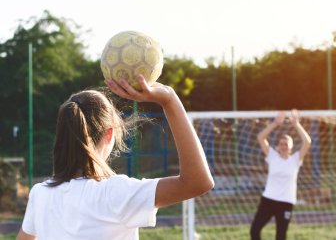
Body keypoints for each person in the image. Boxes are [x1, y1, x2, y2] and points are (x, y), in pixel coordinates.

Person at [17, 75, 215, 240]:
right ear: (109, 134)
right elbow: (198, 182)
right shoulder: (116, 194)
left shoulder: (40, 194)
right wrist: (170, 100)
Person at [250, 109, 311, 240]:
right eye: (281, 144)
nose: (283, 146)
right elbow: (260, 137)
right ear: (278, 146)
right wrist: (275, 123)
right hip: (268, 200)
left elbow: (307, 142)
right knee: (255, 230)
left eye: (286, 144)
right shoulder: (272, 156)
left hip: (286, 202)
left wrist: (296, 124)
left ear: (291, 147)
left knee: (281, 236)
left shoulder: (295, 159)